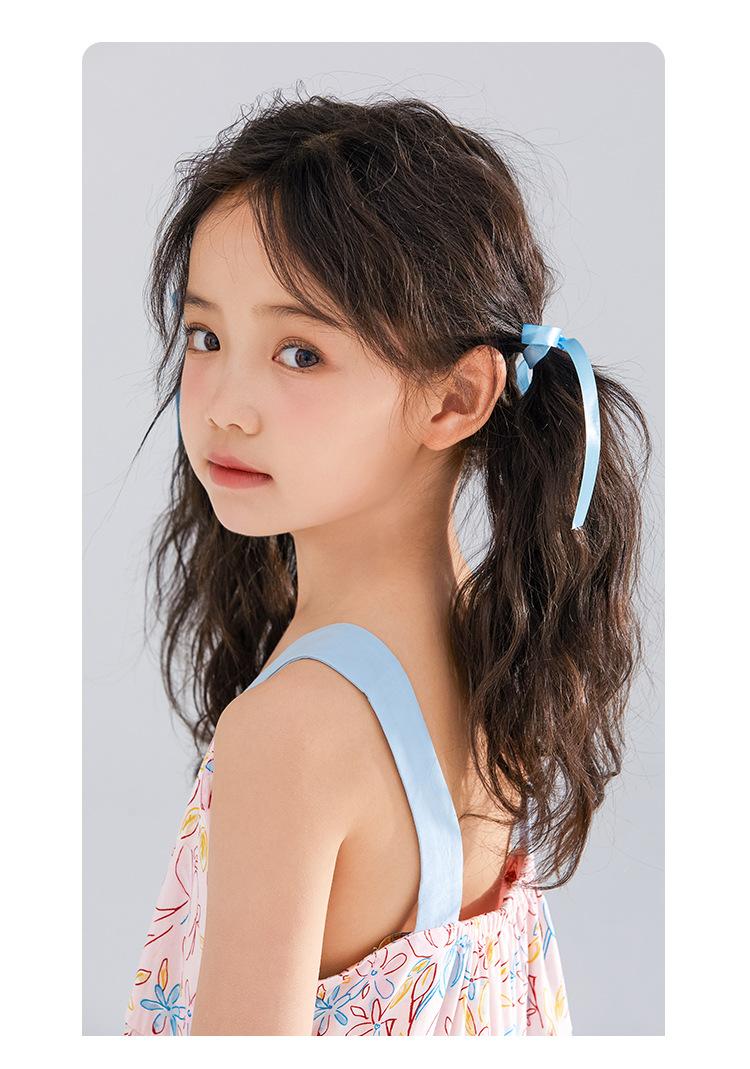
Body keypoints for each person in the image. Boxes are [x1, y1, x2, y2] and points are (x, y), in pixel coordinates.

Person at [122, 91, 650, 1036]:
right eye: (206, 336)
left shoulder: (292, 732)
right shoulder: (497, 652)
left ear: (454, 398)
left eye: (299, 352)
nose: (225, 405)